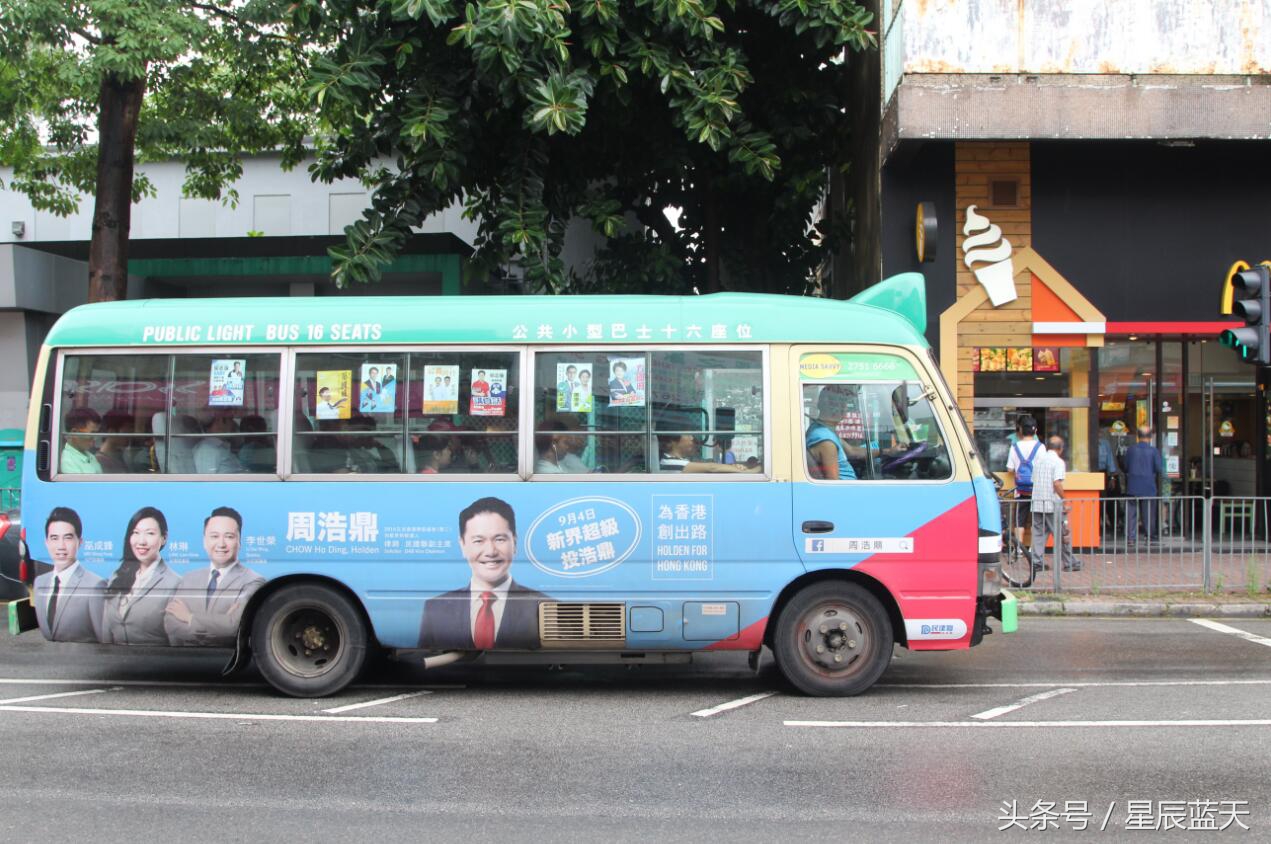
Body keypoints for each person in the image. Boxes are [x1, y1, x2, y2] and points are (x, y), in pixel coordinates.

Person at [418, 497, 548, 650]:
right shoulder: (435, 608)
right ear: (463, 546)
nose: (490, 551)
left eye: (499, 539)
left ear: (515, 542)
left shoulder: (541, 605)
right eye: (478, 541)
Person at [164, 506, 265, 646]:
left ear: (239, 541)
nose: (221, 544)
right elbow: (170, 624)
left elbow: (234, 627)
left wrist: (189, 617)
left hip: (225, 659)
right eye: (214, 536)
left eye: (229, 536)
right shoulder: (189, 579)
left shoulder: (253, 581)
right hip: (187, 659)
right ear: (204, 541)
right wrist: (219, 625)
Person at [102, 507, 181, 645]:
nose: (141, 541)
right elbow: (106, 634)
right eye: (136, 533)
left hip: (154, 663)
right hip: (114, 662)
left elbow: (177, 644)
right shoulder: (117, 577)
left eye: (150, 533)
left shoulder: (175, 584)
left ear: (164, 538)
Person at [33, 507, 105, 642]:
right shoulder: (40, 582)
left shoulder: (95, 585)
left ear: (80, 542)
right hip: (49, 660)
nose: (61, 546)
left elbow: (104, 639)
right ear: (46, 543)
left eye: (68, 538)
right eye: (54, 538)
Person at [1030, 436, 1082, 573]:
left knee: (1038, 534)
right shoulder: (1058, 462)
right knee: (1062, 534)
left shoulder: (1038, 460)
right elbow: (1057, 483)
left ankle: (1036, 562)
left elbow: (1033, 480)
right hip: (1052, 504)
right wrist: (1065, 500)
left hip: (1037, 502)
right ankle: (1070, 562)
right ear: (1060, 448)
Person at [1121, 426, 1166, 543]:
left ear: (1138, 436)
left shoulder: (1131, 450)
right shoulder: (1154, 451)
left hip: (1133, 485)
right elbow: (1159, 468)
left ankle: (1131, 538)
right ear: (1150, 437)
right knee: (1148, 514)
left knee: (1131, 514)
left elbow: (1125, 466)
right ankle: (1149, 537)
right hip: (1148, 486)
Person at [1006, 414, 1043, 548]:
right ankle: (1034, 550)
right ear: (1035, 431)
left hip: (1020, 490)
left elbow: (1010, 469)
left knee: (1019, 521)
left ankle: (1019, 550)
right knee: (1036, 521)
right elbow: (1043, 468)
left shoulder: (1014, 447)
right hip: (1037, 490)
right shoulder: (1040, 447)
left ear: (1020, 430)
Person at [805, 386, 856, 480]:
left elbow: (852, 451)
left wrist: (884, 451)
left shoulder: (824, 430)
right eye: (836, 404)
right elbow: (833, 484)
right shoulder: (826, 440)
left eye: (843, 403)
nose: (843, 408)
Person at [659, 433, 760, 474]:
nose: (691, 438)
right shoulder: (669, 462)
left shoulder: (680, 461)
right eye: (687, 434)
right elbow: (711, 467)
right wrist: (750, 471)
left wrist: (734, 467)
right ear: (673, 441)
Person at [60, 407, 103, 474]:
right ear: (74, 433)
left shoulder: (91, 457)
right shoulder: (67, 462)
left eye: (96, 434)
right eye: (92, 433)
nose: (95, 438)